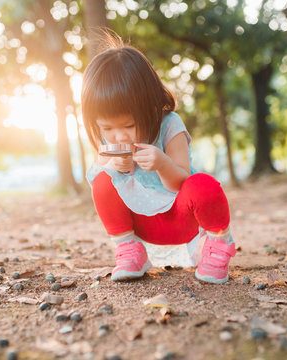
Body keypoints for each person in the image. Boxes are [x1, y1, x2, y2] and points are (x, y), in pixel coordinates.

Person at [81, 34, 236, 284]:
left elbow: (182, 182)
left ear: (150, 106)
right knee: (102, 179)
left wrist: (162, 163)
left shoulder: (170, 124)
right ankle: (130, 250)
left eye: (129, 125)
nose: (118, 135)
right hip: (142, 223)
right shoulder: (109, 138)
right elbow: (100, 173)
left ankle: (217, 248)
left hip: (181, 220)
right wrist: (114, 167)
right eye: (107, 128)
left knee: (203, 184)